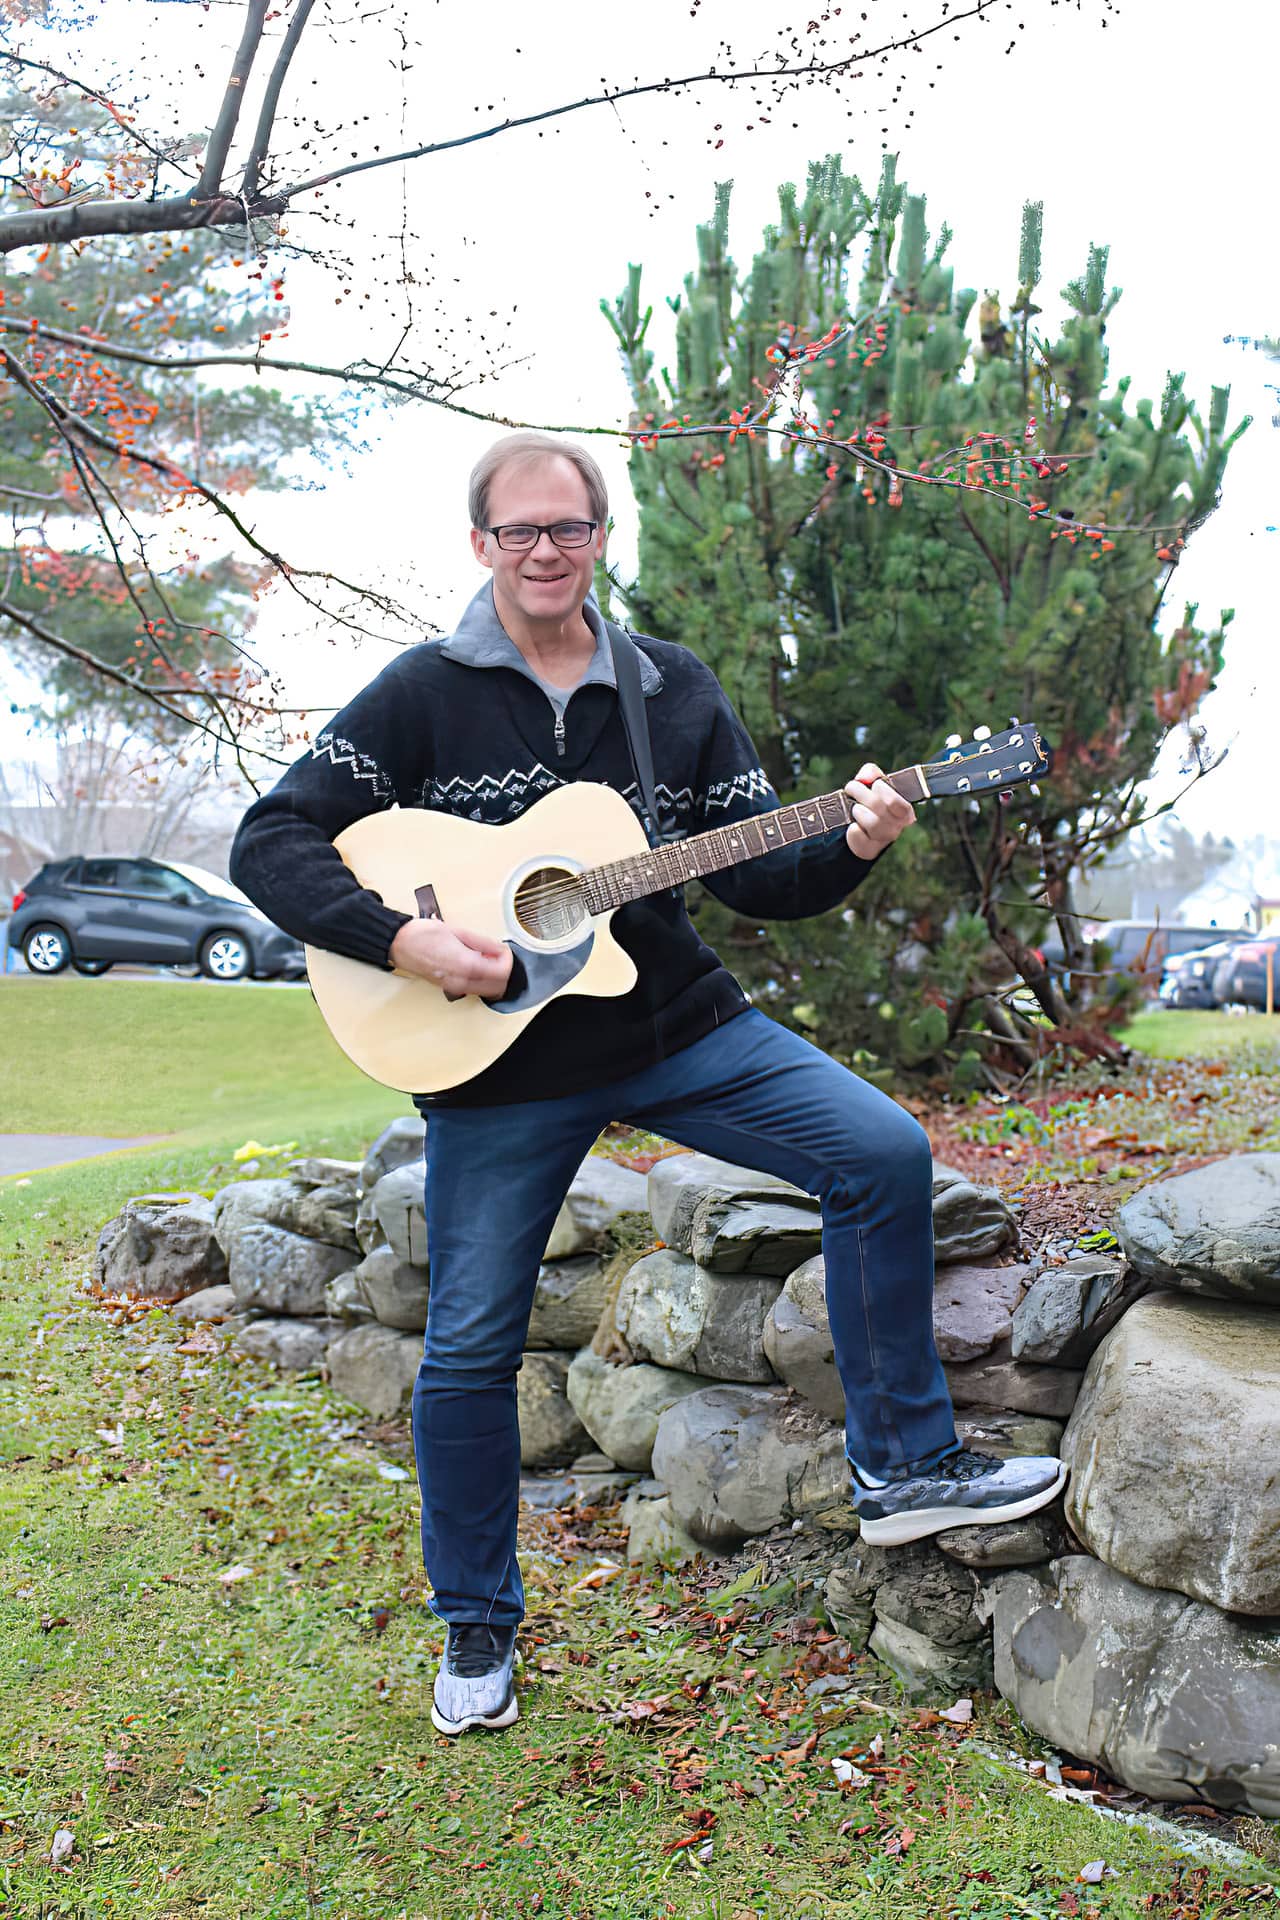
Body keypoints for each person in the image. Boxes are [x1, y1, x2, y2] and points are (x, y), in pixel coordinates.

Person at [229, 430, 1067, 1738]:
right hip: (496, 1072)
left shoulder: (667, 690)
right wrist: (407, 940)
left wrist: (854, 839)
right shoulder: (418, 695)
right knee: (463, 1351)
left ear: (600, 536)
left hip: (672, 1026)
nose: (548, 552)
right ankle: (479, 1630)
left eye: (570, 529)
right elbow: (268, 838)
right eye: (521, 533)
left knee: (882, 1151)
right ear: (481, 546)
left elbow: (759, 876)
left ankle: (905, 1467)